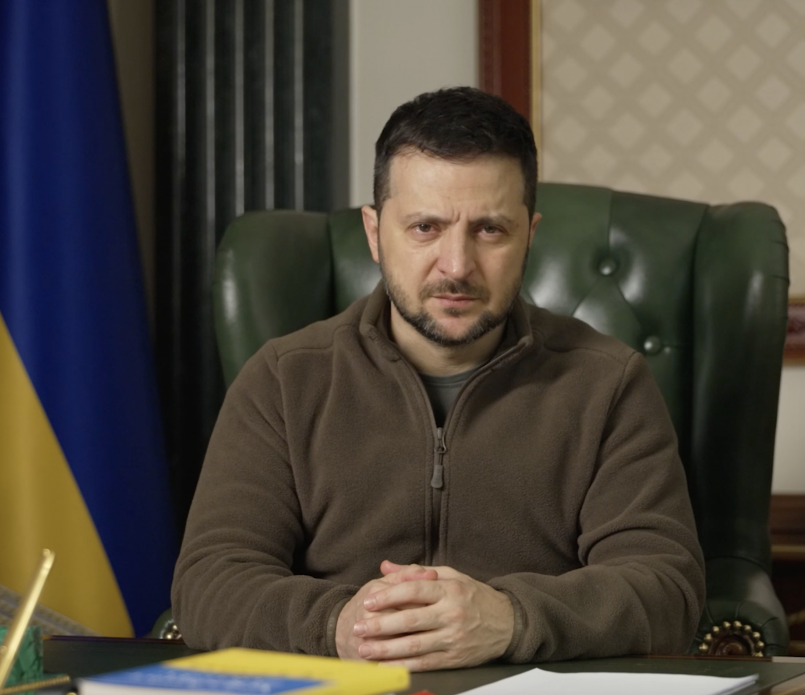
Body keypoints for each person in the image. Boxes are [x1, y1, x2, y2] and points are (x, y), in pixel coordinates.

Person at [171, 87, 705, 671]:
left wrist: (510, 618)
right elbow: (209, 582)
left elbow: (666, 588)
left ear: (530, 235)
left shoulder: (608, 384)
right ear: (374, 233)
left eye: (490, 230)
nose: (457, 266)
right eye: (425, 227)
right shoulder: (282, 380)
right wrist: (339, 625)